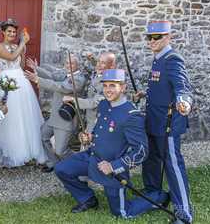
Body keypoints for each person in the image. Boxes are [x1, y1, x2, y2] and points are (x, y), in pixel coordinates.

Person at [55, 69, 169, 218]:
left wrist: (113, 166)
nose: (108, 90)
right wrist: (89, 137)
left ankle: (160, 198)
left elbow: (141, 151)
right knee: (62, 169)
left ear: (123, 87)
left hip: (112, 170)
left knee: (122, 213)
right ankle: (87, 199)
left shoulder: (132, 115)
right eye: (106, 85)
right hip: (92, 158)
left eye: (112, 86)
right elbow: (101, 131)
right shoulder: (104, 104)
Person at [135, 21, 193, 224]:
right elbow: (162, 87)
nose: (152, 41)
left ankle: (184, 213)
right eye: (149, 37)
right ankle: (153, 195)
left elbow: (182, 86)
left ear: (168, 36)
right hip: (153, 121)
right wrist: (145, 93)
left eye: (157, 37)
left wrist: (184, 101)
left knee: (173, 166)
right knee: (151, 159)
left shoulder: (172, 59)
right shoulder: (157, 59)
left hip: (168, 125)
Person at [0, 19, 47, 167]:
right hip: (5, 81)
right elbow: (10, 58)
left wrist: (22, 48)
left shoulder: (17, 46)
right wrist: (23, 43)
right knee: (8, 117)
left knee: (24, 117)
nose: (12, 34)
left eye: (14, 32)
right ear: (3, 32)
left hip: (21, 82)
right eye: (9, 31)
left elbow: (20, 64)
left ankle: (26, 152)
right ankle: (6, 153)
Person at [25, 55, 86, 173]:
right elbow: (52, 75)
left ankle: (80, 163)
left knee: (60, 151)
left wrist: (38, 80)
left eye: (71, 63)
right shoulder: (65, 73)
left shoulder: (79, 79)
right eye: (67, 63)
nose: (68, 65)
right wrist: (36, 68)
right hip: (54, 117)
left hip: (65, 120)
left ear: (77, 65)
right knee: (43, 136)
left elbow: (61, 87)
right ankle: (54, 163)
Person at [63, 52, 116, 143]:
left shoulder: (108, 84)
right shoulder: (99, 72)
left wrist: (73, 100)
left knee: (88, 149)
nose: (98, 65)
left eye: (102, 63)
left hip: (97, 123)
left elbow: (94, 103)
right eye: (98, 61)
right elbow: (97, 66)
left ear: (111, 67)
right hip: (88, 119)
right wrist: (92, 59)